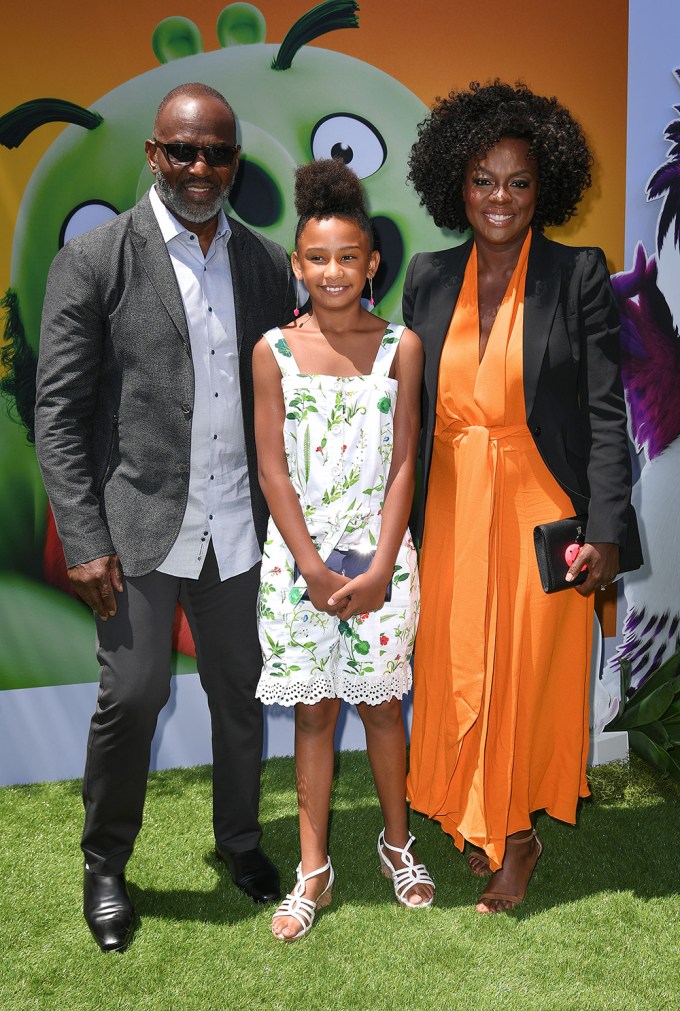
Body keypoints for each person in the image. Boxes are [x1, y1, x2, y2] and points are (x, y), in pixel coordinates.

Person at [34, 83, 295, 952]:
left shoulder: (263, 263)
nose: (199, 167)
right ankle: (105, 864)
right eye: (182, 150)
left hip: (237, 527)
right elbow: (59, 413)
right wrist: (84, 539)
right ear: (154, 153)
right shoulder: (97, 258)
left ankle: (242, 843)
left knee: (241, 696)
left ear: (234, 162)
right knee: (134, 695)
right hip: (136, 527)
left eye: (216, 152)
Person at [403, 81, 641, 913]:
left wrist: (607, 532)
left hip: (543, 509)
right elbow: (407, 417)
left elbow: (604, 415)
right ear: (454, 185)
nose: (499, 198)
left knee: (521, 672)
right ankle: (481, 813)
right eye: (482, 179)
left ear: (547, 188)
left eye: (519, 182)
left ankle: (515, 836)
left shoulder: (578, 275)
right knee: (456, 661)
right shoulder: (427, 279)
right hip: (451, 504)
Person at [253, 158, 434, 941]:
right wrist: (317, 569)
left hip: (383, 567)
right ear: (298, 264)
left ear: (373, 262)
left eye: (348, 256)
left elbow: (404, 461)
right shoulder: (274, 352)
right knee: (315, 715)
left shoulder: (404, 348)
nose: (333, 271)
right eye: (317, 257)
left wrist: (381, 564)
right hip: (299, 572)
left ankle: (399, 843)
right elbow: (272, 470)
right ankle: (314, 870)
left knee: (384, 706)